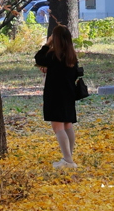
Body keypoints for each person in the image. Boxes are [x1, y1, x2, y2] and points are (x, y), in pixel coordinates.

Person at [35, 22, 81, 168]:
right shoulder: (72, 56)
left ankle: (68, 160)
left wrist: (47, 44)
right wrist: (50, 71)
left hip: (55, 94)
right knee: (67, 124)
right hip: (68, 93)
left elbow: (38, 58)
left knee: (58, 127)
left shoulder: (52, 54)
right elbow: (66, 73)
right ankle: (68, 157)